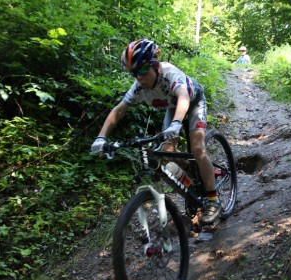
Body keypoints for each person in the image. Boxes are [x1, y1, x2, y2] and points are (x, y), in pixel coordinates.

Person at [91, 38, 222, 224]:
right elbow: (118, 110)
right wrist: (101, 137)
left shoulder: (170, 74)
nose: (139, 77)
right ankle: (195, 174)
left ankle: (213, 200)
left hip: (192, 102)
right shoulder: (138, 88)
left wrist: (176, 123)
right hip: (173, 106)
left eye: (143, 70)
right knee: (167, 151)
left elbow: (183, 96)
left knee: (198, 149)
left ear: (156, 65)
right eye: (133, 73)